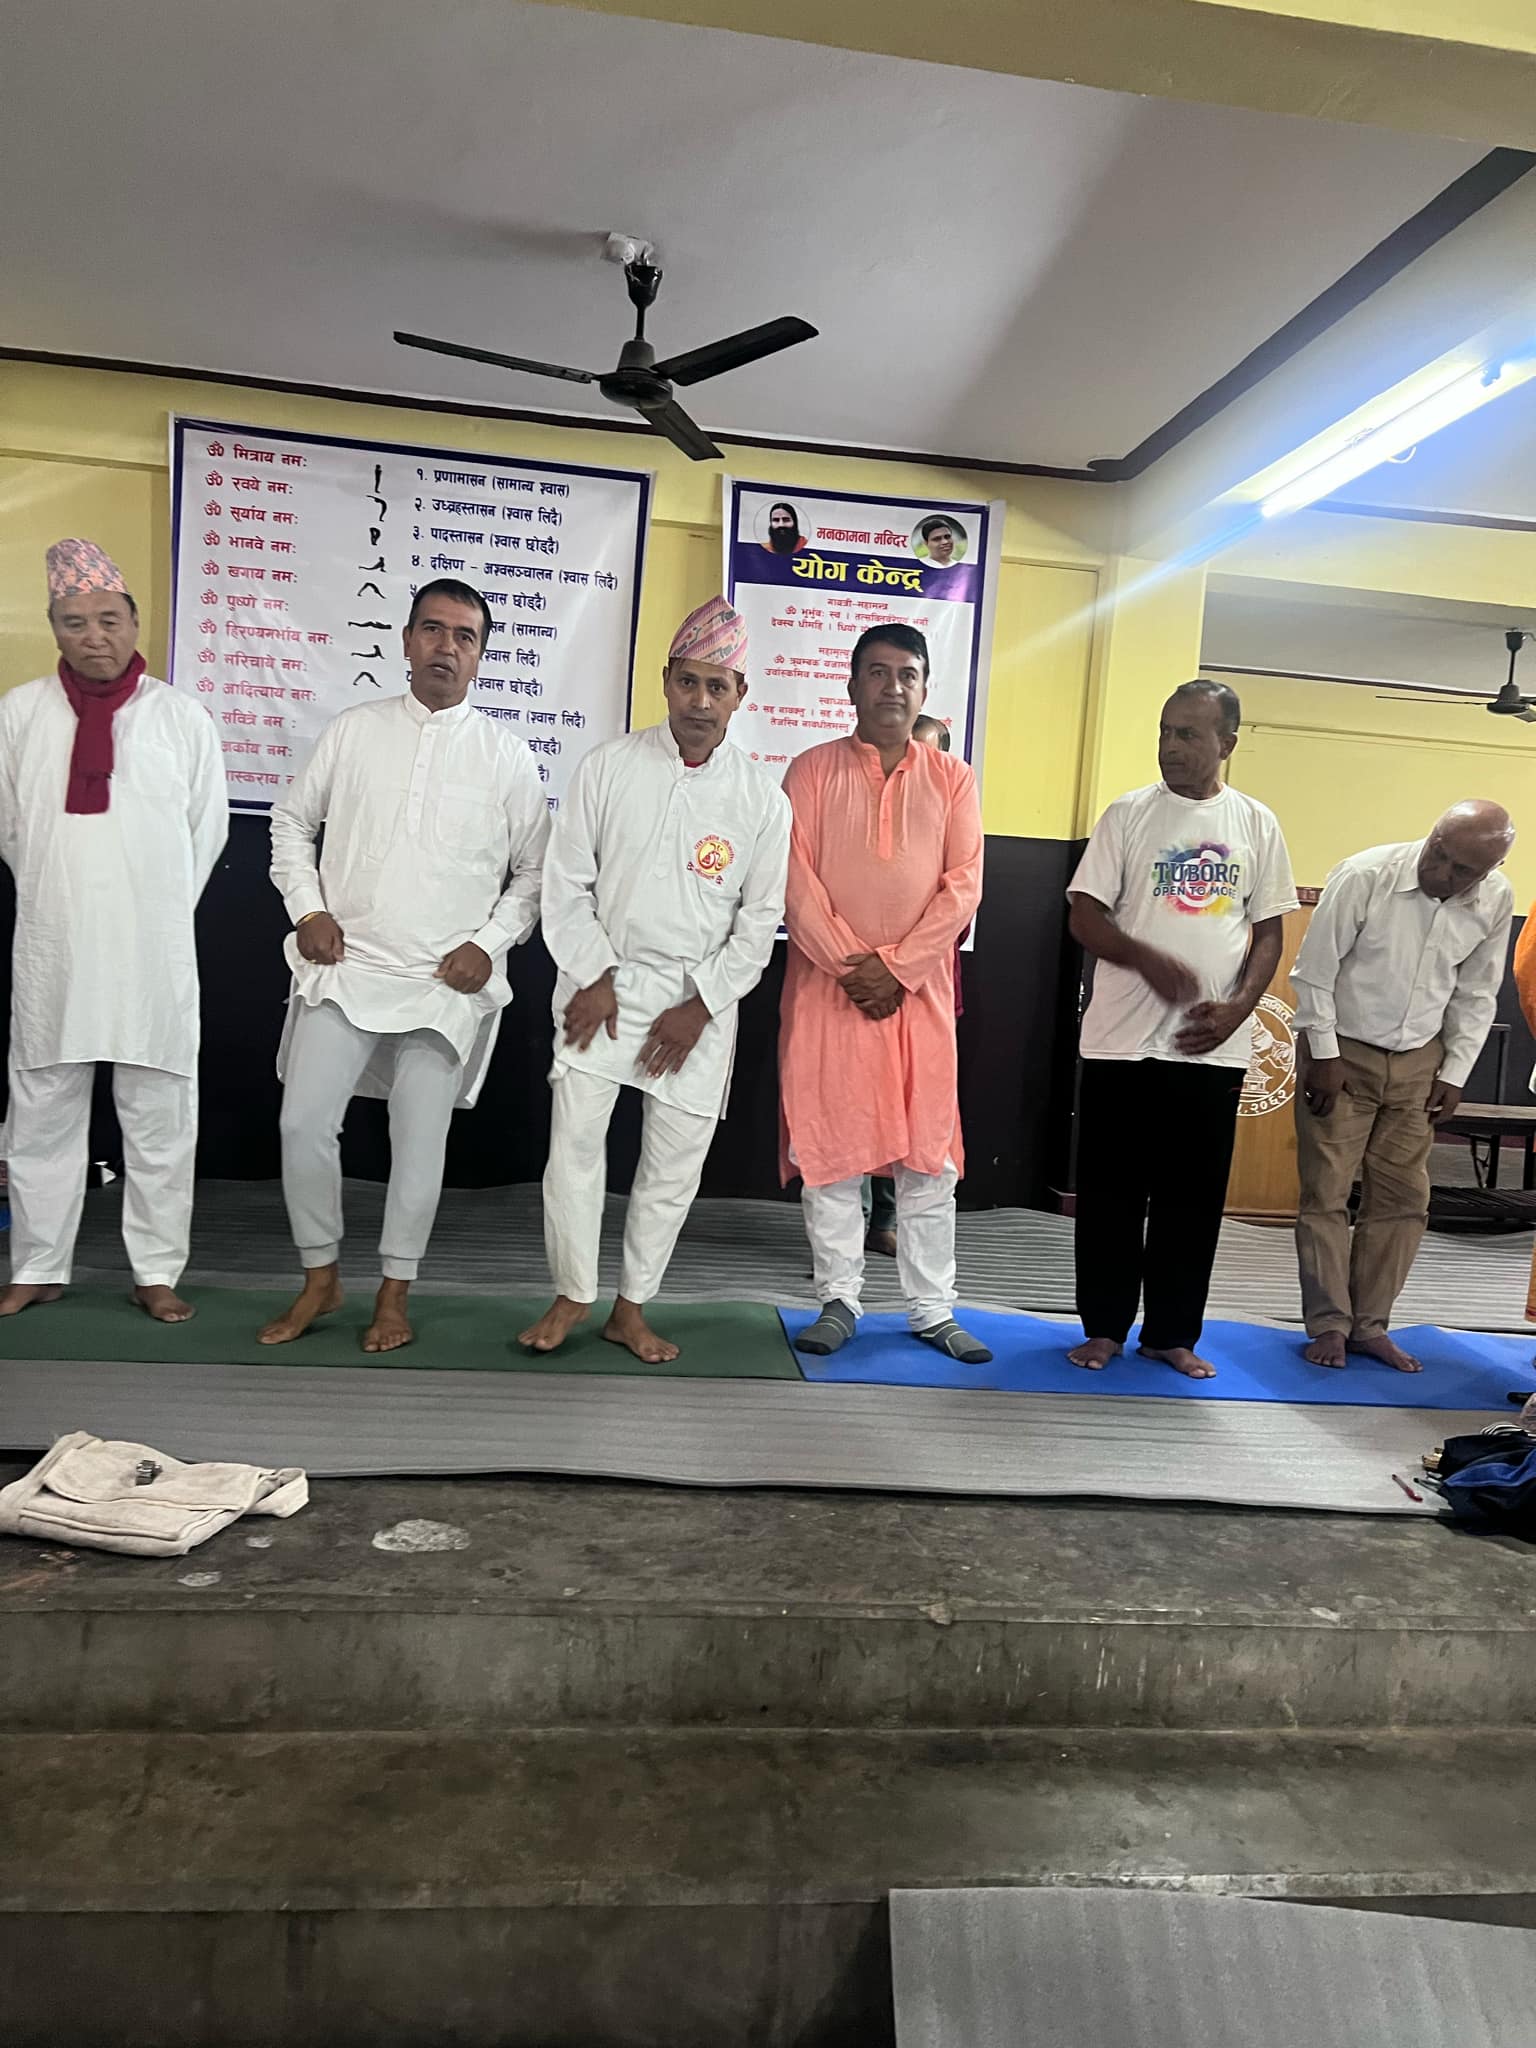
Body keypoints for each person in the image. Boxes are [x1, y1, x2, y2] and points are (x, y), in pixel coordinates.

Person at [263, 578, 548, 1353]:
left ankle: (394, 1294)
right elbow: (291, 823)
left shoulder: (505, 755)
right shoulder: (354, 730)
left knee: (419, 1141)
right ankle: (320, 1276)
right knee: (302, 1122)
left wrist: (488, 944)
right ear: (406, 641)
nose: (446, 647)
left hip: (441, 982)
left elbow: (534, 874)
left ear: (480, 656)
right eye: (433, 629)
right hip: (346, 964)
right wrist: (308, 911)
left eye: (464, 636)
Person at [520, 596, 790, 1365]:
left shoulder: (763, 801)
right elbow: (565, 887)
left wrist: (700, 1005)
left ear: (740, 694)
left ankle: (630, 1309)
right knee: (574, 1147)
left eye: (717, 686)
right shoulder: (607, 768)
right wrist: (596, 975)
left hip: (698, 1004)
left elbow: (759, 923)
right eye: (688, 682)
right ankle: (572, 1291)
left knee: (672, 1168)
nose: (700, 701)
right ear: (666, 681)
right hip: (598, 987)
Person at [0, 539, 226, 1324]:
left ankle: (156, 1271)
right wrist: (63, 889)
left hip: (150, 952)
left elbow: (206, 834)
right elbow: (12, 831)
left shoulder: (181, 718)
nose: (93, 636)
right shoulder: (20, 713)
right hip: (55, 945)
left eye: (107, 619)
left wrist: (150, 908)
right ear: (53, 628)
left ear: (134, 622)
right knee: (41, 1111)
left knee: (161, 1115)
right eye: (74, 622)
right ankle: (37, 1266)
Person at [1066, 680, 1297, 1380]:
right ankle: (1103, 1328)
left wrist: (1238, 1009)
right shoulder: (1128, 814)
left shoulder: (1256, 823)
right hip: (1121, 1042)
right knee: (1109, 1198)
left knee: (1191, 1204)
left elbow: (1268, 934)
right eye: (1165, 731)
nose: (1171, 746)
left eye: (1188, 734)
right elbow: (1084, 916)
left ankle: (1170, 1334)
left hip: (1210, 1047)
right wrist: (1143, 957)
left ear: (1227, 743)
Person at [781, 623, 989, 1363]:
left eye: (906, 674)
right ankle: (838, 1299)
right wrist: (853, 967)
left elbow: (963, 886)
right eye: (876, 672)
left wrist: (897, 969)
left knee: (928, 1158)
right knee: (832, 1151)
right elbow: (794, 881)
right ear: (851, 685)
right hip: (829, 994)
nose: (891, 687)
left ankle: (932, 1308)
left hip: (917, 999)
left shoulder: (953, 779)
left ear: (925, 689)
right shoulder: (810, 771)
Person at [1292, 802, 1515, 1373]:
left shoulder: (1494, 898)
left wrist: (1455, 1073)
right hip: (1343, 1050)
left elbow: (1476, 992)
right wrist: (1323, 1055)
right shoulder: (1365, 875)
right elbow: (1314, 971)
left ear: (1491, 869)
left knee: (1403, 1200)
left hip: (1421, 1058)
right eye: (1443, 856)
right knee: (1327, 1193)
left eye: (1467, 871)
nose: (1447, 874)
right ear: (1433, 838)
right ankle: (1329, 1324)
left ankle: (1370, 1325)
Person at [865, 711, 961, 1257]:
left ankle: (889, 1219)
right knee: (859, 1105)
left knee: (913, 1113)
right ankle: (850, 1227)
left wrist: (904, 964)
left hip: (928, 993)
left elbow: (959, 909)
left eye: (928, 752)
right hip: (860, 985)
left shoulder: (953, 811)